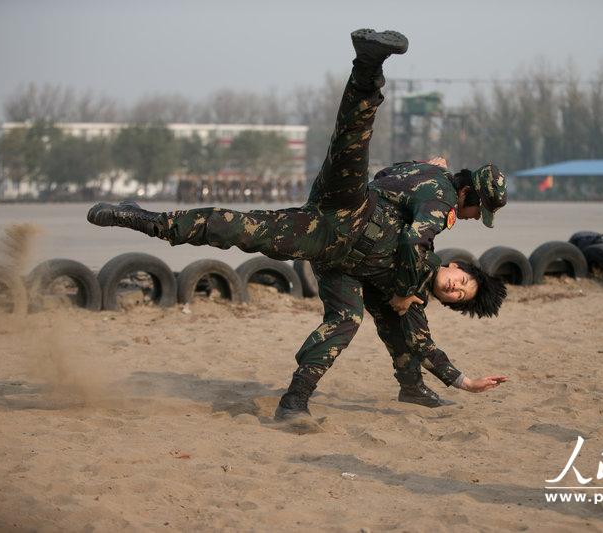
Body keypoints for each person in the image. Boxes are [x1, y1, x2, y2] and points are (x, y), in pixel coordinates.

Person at [87, 28, 509, 419]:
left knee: (331, 307)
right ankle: (145, 219)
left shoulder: (423, 226)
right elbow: (414, 237)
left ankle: (297, 402)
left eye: (458, 299)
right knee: (350, 138)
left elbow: (417, 341)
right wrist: (402, 291)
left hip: (326, 248)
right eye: (463, 284)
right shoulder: (437, 208)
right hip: (349, 208)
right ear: (460, 266)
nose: (454, 290)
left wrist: (463, 380)